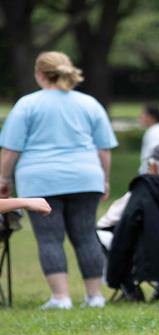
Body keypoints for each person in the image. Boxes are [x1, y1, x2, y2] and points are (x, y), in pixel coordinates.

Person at [0, 51, 117, 310]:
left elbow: (11, 149)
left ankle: (61, 298)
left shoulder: (28, 104)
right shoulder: (89, 104)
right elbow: (104, 149)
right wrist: (105, 179)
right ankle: (94, 296)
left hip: (41, 179)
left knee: (49, 238)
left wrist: (3, 178)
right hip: (86, 177)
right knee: (86, 235)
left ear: (39, 74)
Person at [98, 143, 159, 301]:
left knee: (103, 234)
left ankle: (130, 288)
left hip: (144, 258)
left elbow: (106, 221)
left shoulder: (142, 191)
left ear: (152, 166)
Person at [137, 103, 159, 175]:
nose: (139, 117)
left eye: (142, 114)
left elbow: (154, 156)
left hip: (152, 178)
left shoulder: (156, 132)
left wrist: (151, 177)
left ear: (151, 117)